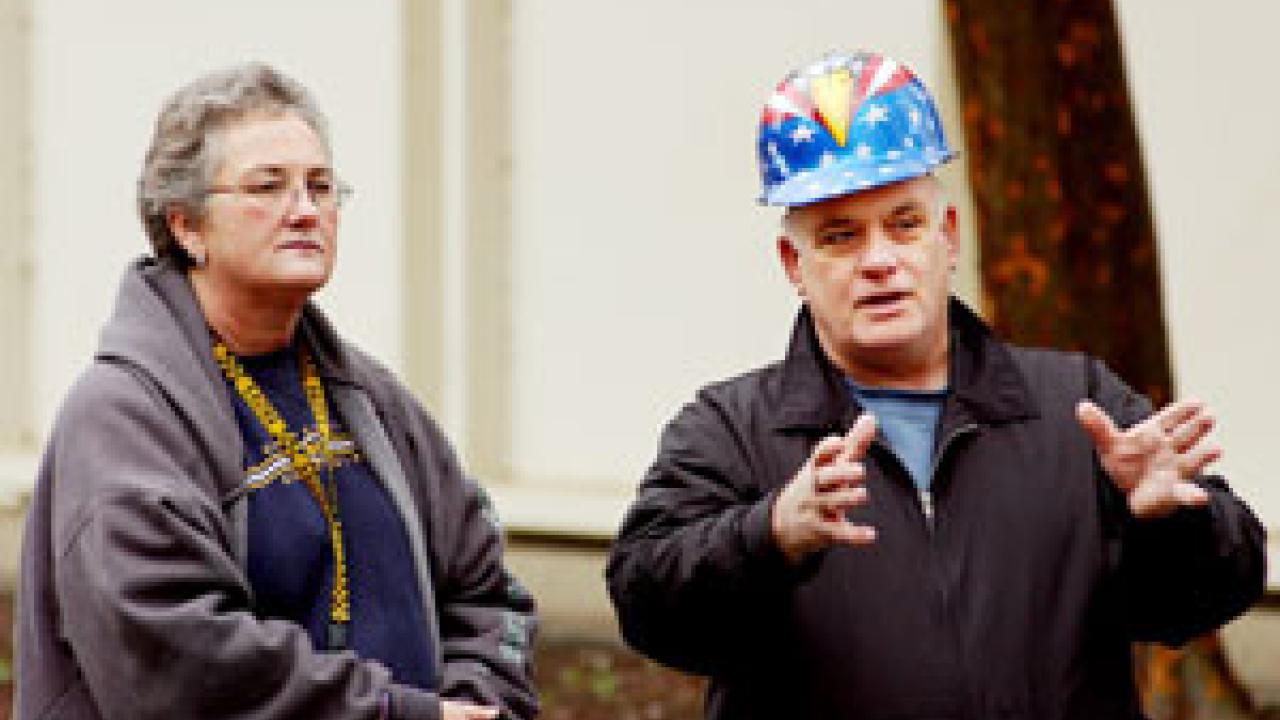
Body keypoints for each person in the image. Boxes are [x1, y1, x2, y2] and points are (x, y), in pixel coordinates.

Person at [606, 51, 1267, 719]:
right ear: (793, 264)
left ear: (947, 236)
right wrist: (768, 534)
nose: (880, 261)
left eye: (905, 224)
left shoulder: (1080, 407)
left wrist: (1173, 522)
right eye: (840, 236)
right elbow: (647, 607)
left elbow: (1202, 599)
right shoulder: (730, 430)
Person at [16, 63, 537, 720]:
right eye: (269, 186)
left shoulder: (372, 398)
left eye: (321, 187)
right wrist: (399, 713)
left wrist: (480, 702)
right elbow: (180, 661)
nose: (305, 211)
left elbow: (487, 590)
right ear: (185, 225)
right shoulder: (122, 417)